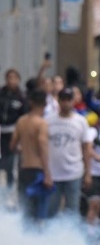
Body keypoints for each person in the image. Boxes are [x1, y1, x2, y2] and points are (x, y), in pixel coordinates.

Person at [46, 87, 92, 217]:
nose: (66, 103)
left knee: (72, 211)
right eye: (63, 100)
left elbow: (86, 148)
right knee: (51, 211)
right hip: (53, 173)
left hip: (73, 172)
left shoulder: (81, 121)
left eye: (68, 100)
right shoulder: (48, 121)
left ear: (73, 101)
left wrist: (88, 173)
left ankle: (71, 236)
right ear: (59, 101)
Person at [10, 89, 51, 222]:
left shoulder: (21, 121)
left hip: (23, 169)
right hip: (37, 170)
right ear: (44, 105)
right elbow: (42, 147)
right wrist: (48, 174)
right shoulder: (42, 123)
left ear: (31, 103)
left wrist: (24, 148)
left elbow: (12, 146)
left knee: (25, 210)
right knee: (38, 211)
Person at [0, 69, 28, 195]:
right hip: (1, 130)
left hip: (13, 132)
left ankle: (10, 190)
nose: (11, 80)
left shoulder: (21, 96)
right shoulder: (1, 93)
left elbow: (24, 116)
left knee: (10, 163)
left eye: (14, 78)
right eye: (9, 78)